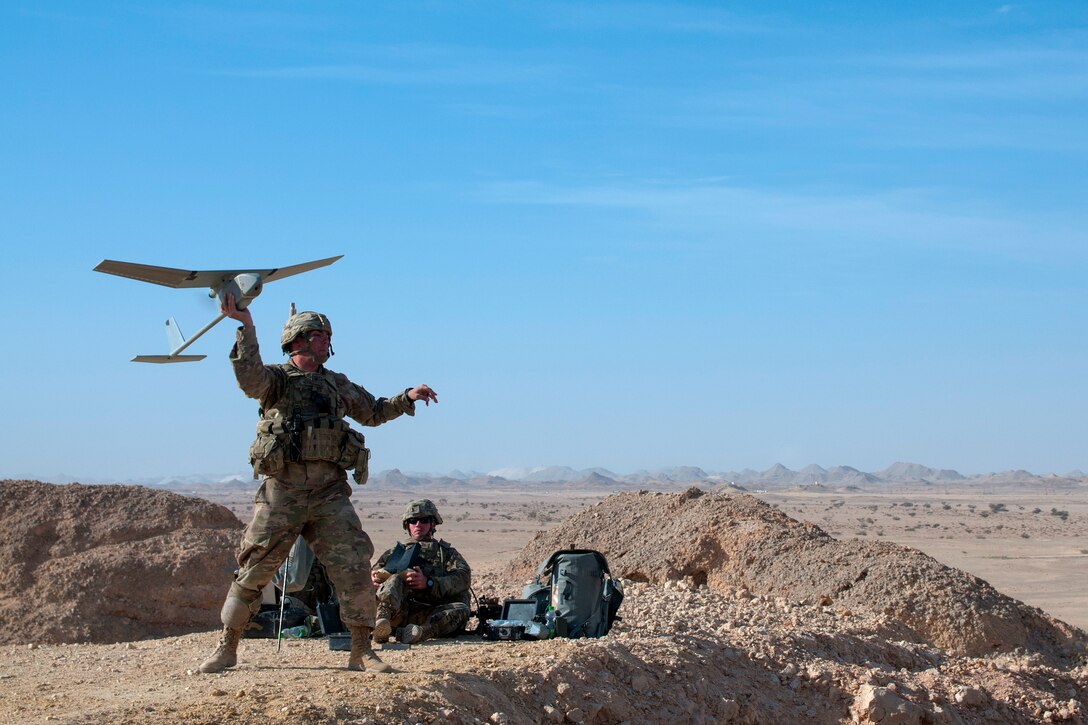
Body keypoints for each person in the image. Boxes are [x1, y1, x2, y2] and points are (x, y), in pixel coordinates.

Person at [199, 296, 438, 674]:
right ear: (298, 340)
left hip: (329, 493)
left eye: (328, 335)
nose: (327, 341)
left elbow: (373, 411)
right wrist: (246, 326)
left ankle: (362, 651)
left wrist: (406, 397)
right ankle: (227, 647)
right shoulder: (276, 381)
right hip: (284, 491)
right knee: (254, 568)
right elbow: (248, 378)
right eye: (320, 335)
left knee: (354, 568)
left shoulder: (336, 385)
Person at [370, 499, 471, 645]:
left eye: (423, 520)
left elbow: (463, 578)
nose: (418, 525)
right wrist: (373, 579)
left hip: (429, 613)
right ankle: (382, 623)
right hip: (398, 611)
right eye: (413, 521)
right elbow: (373, 573)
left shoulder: (446, 553)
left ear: (432, 524)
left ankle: (419, 633)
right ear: (407, 525)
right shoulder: (395, 553)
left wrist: (429, 583)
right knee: (393, 579)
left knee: (461, 610)